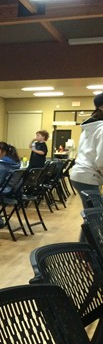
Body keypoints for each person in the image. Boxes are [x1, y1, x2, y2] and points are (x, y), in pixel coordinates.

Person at [69, 93, 103, 237]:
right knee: (96, 217)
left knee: (94, 216)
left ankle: (84, 247)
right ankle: (86, 248)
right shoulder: (100, 127)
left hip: (82, 175)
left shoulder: (91, 126)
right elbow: (101, 160)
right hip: (87, 176)